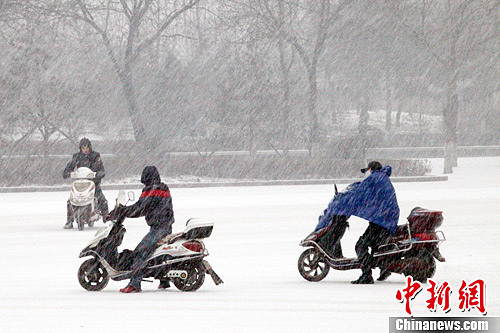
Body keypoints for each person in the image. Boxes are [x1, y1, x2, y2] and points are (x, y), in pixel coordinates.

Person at [315, 161, 400, 284]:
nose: (367, 173)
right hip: (387, 219)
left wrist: (340, 204)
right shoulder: (382, 178)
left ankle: (366, 275)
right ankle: (384, 268)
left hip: (382, 220)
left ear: (371, 169)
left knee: (361, 245)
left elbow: (358, 195)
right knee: (376, 245)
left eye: (368, 171)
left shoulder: (374, 178)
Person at [109, 166, 175, 293]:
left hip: (159, 228)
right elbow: (143, 207)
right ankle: (164, 280)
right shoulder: (162, 187)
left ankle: (135, 284)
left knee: (140, 253)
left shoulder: (152, 190)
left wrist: (121, 211)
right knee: (155, 253)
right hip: (165, 226)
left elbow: (139, 208)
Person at [63, 138, 109, 229]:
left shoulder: (95, 156)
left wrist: (98, 174)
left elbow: (101, 169)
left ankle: (106, 218)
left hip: (93, 183)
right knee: (70, 201)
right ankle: (69, 220)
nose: (85, 149)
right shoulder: (76, 157)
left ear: (90, 147)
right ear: (80, 148)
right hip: (80, 183)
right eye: (83, 148)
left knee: (102, 199)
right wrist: (67, 173)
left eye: (87, 147)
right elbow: (70, 166)